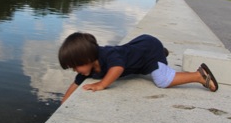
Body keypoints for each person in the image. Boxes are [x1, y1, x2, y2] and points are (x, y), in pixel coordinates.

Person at [58, 32, 218, 104]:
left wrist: (101, 85)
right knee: (142, 59)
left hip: (148, 51)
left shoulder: (108, 54)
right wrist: (63, 104)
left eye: (76, 66)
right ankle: (162, 53)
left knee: (162, 80)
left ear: (88, 58)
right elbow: (75, 85)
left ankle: (199, 75)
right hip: (141, 48)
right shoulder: (89, 67)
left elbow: (118, 68)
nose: (75, 71)